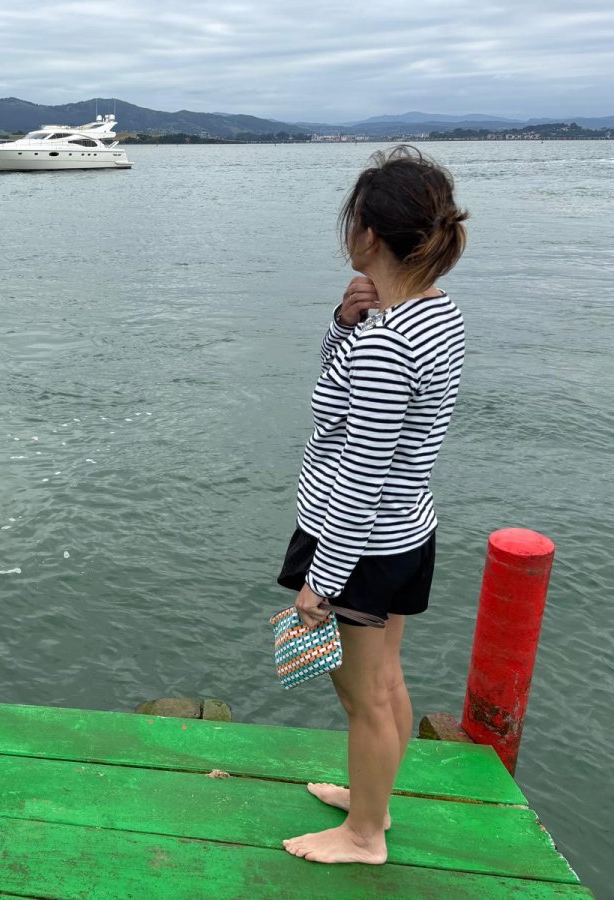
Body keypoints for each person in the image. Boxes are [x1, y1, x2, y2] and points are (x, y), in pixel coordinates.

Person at [277, 145, 468, 865]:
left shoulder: (390, 341)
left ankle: (364, 835)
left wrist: (322, 581)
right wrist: (342, 324)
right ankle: (372, 802)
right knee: (385, 681)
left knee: (362, 694)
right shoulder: (431, 315)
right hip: (404, 531)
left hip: (355, 537)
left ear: (369, 236)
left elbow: (358, 468)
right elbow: (349, 408)